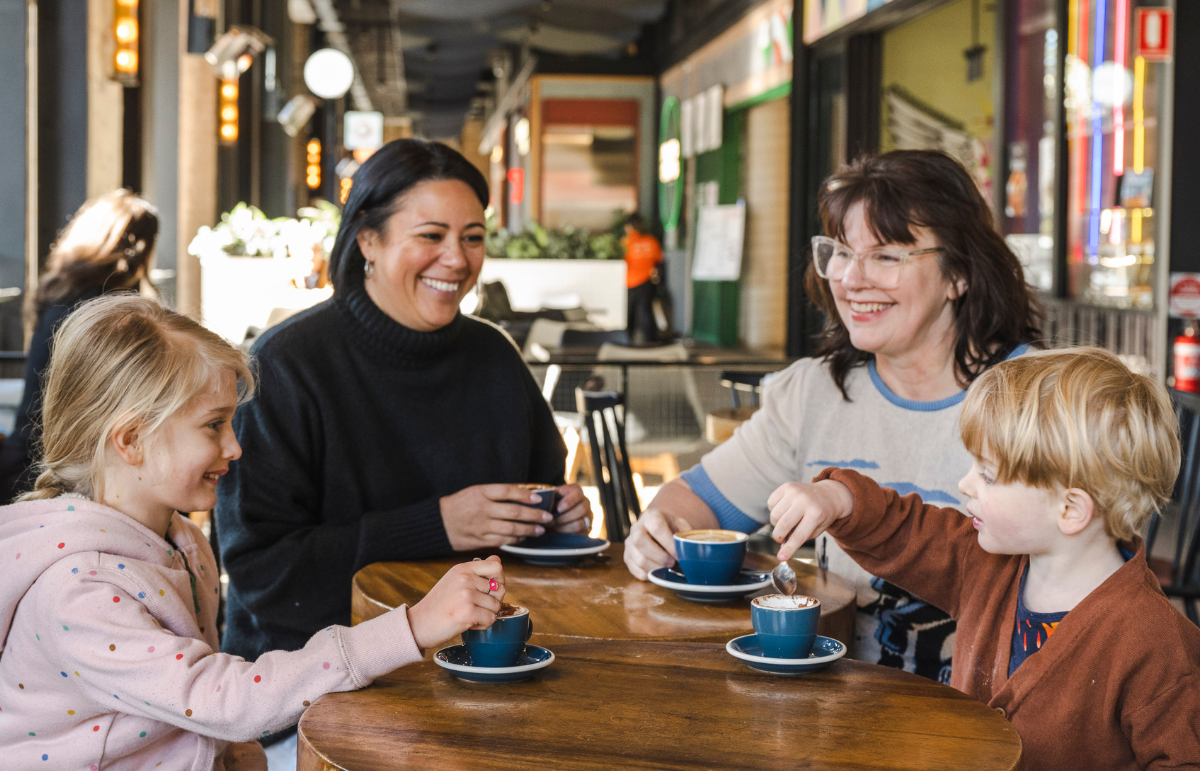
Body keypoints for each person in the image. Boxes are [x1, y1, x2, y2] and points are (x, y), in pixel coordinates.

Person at [0, 295, 511, 771]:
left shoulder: (181, 539)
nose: (235, 447)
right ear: (132, 440)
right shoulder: (80, 593)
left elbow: (194, 699)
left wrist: (234, 752)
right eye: (214, 425)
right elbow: (221, 698)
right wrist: (414, 627)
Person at [215, 139, 590, 755]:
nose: (457, 258)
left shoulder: (494, 357)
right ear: (368, 240)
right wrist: (435, 526)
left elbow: (539, 511)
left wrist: (559, 519)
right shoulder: (287, 367)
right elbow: (265, 575)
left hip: (487, 686)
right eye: (432, 235)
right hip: (315, 702)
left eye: (472, 237)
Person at [623, 150, 1043, 682]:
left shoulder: (1040, 398)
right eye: (842, 252)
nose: (850, 279)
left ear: (957, 274)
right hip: (836, 716)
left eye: (887, 256)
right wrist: (658, 531)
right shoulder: (816, 392)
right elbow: (697, 503)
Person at [766, 347, 1200, 770]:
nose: (965, 484)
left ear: (1070, 510)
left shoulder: (1155, 642)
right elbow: (905, 530)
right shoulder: (982, 562)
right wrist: (838, 497)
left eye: (987, 475)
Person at [0, 190, 158, 502]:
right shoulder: (103, 308)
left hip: (29, 452)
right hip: (57, 468)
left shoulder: (62, 290)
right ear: (137, 246)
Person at [623, 213, 664, 345]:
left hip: (630, 281)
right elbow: (659, 260)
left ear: (629, 227)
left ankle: (627, 340)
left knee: (629, 312)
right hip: (647, 281)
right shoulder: (652, 241)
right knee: (645, 311)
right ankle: (649, 340)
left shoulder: (627, 242)